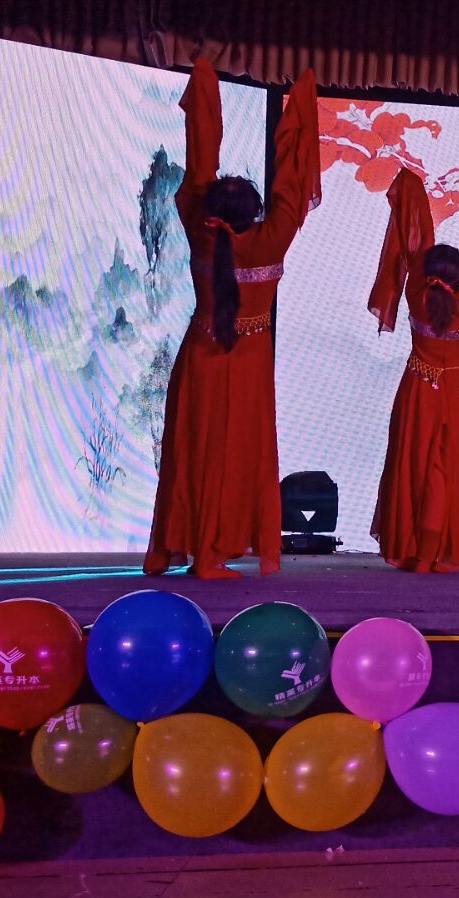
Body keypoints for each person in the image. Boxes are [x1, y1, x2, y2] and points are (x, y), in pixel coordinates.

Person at [144, 58, 319, 579]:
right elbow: (292, 188)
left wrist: (204, 90)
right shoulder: (272, 237)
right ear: (256, 212)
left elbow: (198, 170)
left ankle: (176, 548)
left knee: (193, 448)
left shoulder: (200, 230)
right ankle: (210, 555)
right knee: (235, 454)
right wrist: (300, 112)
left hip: (202, 352)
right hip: (247, 363)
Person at [367, 167, 459, 573]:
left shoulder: (416, 292)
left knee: (416, 469)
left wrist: (412, 193)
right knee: (448, 473)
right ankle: (434, 551)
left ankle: (416, 549)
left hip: (419, 390)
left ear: (424, 271)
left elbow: (416, 247)